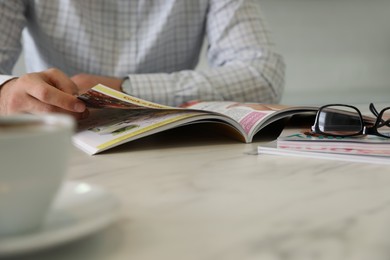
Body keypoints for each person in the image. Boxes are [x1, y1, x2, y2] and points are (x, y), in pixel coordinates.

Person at [0, 0, 285, 120]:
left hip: (177, 150)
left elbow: (262, 76)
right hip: (56, 146)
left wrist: (124, 89)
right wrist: (6, 91)